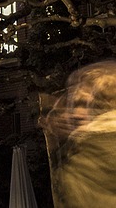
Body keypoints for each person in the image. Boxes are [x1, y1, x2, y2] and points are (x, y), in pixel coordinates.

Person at [44, 61, 116, 205]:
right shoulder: (83, 149)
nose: (75, 114)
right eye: (74, 104)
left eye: (84, 104)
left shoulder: (88, 159)